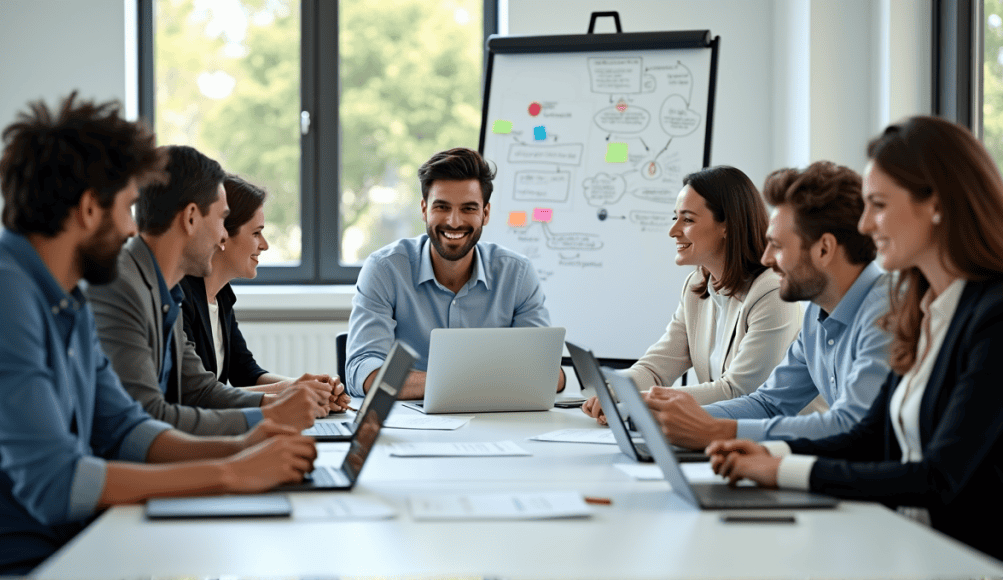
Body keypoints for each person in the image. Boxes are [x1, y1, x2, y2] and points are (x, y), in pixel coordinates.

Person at [0, 94, 317, 576]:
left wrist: (248, 445)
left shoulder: (68, 297)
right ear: (89, 210)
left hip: (78, 541)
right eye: (127, 208)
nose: (131, 228)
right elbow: (55, 484)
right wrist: (231, 473)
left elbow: (125, 429)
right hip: (28, 561)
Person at [707, 116, 1003, 561]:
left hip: (965, 562)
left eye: (879, 205)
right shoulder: (922, 307)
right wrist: (766, 450)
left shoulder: (993, 317)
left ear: (937, 204)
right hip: (910, 548)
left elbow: (939, 477)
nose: (864, 225)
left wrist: (785, 468)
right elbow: (868, 435)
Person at [644, 161, 893, 450]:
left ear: (824, 249)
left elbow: (849, 424)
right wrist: (670, 418)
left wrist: (715, 430)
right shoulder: (817, 313)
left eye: (777, 245)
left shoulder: (887, 314)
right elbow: (769, 403)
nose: (766, 259)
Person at [88, 145, 334, 436]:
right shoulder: (123, 286)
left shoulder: (166, 293)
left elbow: (200, 391)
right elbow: (148, 416)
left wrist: (282, 404)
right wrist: (267, 419)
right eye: (221, 219)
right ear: (191, 217)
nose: (222, 236)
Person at [582, 166, 806, 424]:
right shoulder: (697, 285)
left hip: (781, 444)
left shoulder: (772, 292)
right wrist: (616, 390)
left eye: (687, 220)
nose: (673, 230)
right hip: (720, 435)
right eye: (675, 218)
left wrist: (643, 401)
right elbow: (656, 368)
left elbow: (739, 392)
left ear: (727, 226)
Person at [346, 147, 563, 400]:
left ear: (486, 213)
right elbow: (364, 372)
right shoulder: (385, 270)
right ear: (424, 209)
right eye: (442, 207)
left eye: (469, 209)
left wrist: (439, 381)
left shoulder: (516, 273)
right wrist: (480, 380)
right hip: (410, 429)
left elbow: (548, 374)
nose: (454, 221)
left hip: (497, 425)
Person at [179, 174, 350, 410]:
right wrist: (294, 394)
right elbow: (202, 395)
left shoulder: (221, 296)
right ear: (222, 235)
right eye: (256, 233)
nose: (265, 244)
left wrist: (308, 387)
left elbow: (246, 373)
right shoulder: (180, 297)